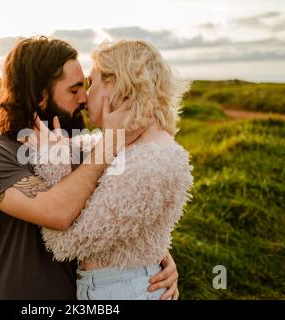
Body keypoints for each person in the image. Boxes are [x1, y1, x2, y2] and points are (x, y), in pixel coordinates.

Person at [0, 36, 180, 299]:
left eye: (86, 86)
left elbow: (117, 214)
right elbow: (59, 212)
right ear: (41, 95)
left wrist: (153, 258)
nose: (84, 98)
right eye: (75, 89)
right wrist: (108, 146)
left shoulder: (79, 145)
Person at [37, 40, 193, 300]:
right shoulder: (121, 142)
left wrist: (51, 161)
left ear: (118, 84)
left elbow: (65, 243)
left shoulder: (153, 161)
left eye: (92, 82)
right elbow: (80, 147)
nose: (85, 96)